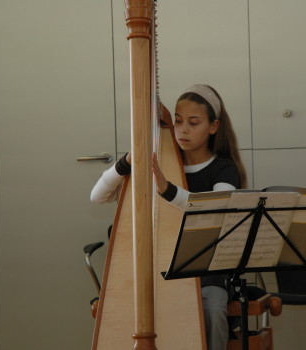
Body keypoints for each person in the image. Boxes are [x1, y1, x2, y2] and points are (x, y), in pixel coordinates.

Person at [90, 84, 247, 350]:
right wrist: (128, 161)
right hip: (159, 266)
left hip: (207, 272)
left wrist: (168, 190)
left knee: (212, 307)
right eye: (177, 121)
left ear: (213, 126)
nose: (183, 130)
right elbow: (98, 196)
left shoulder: (223, 169)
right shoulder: (159, 160)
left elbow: (214, 213)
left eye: (193, 123)